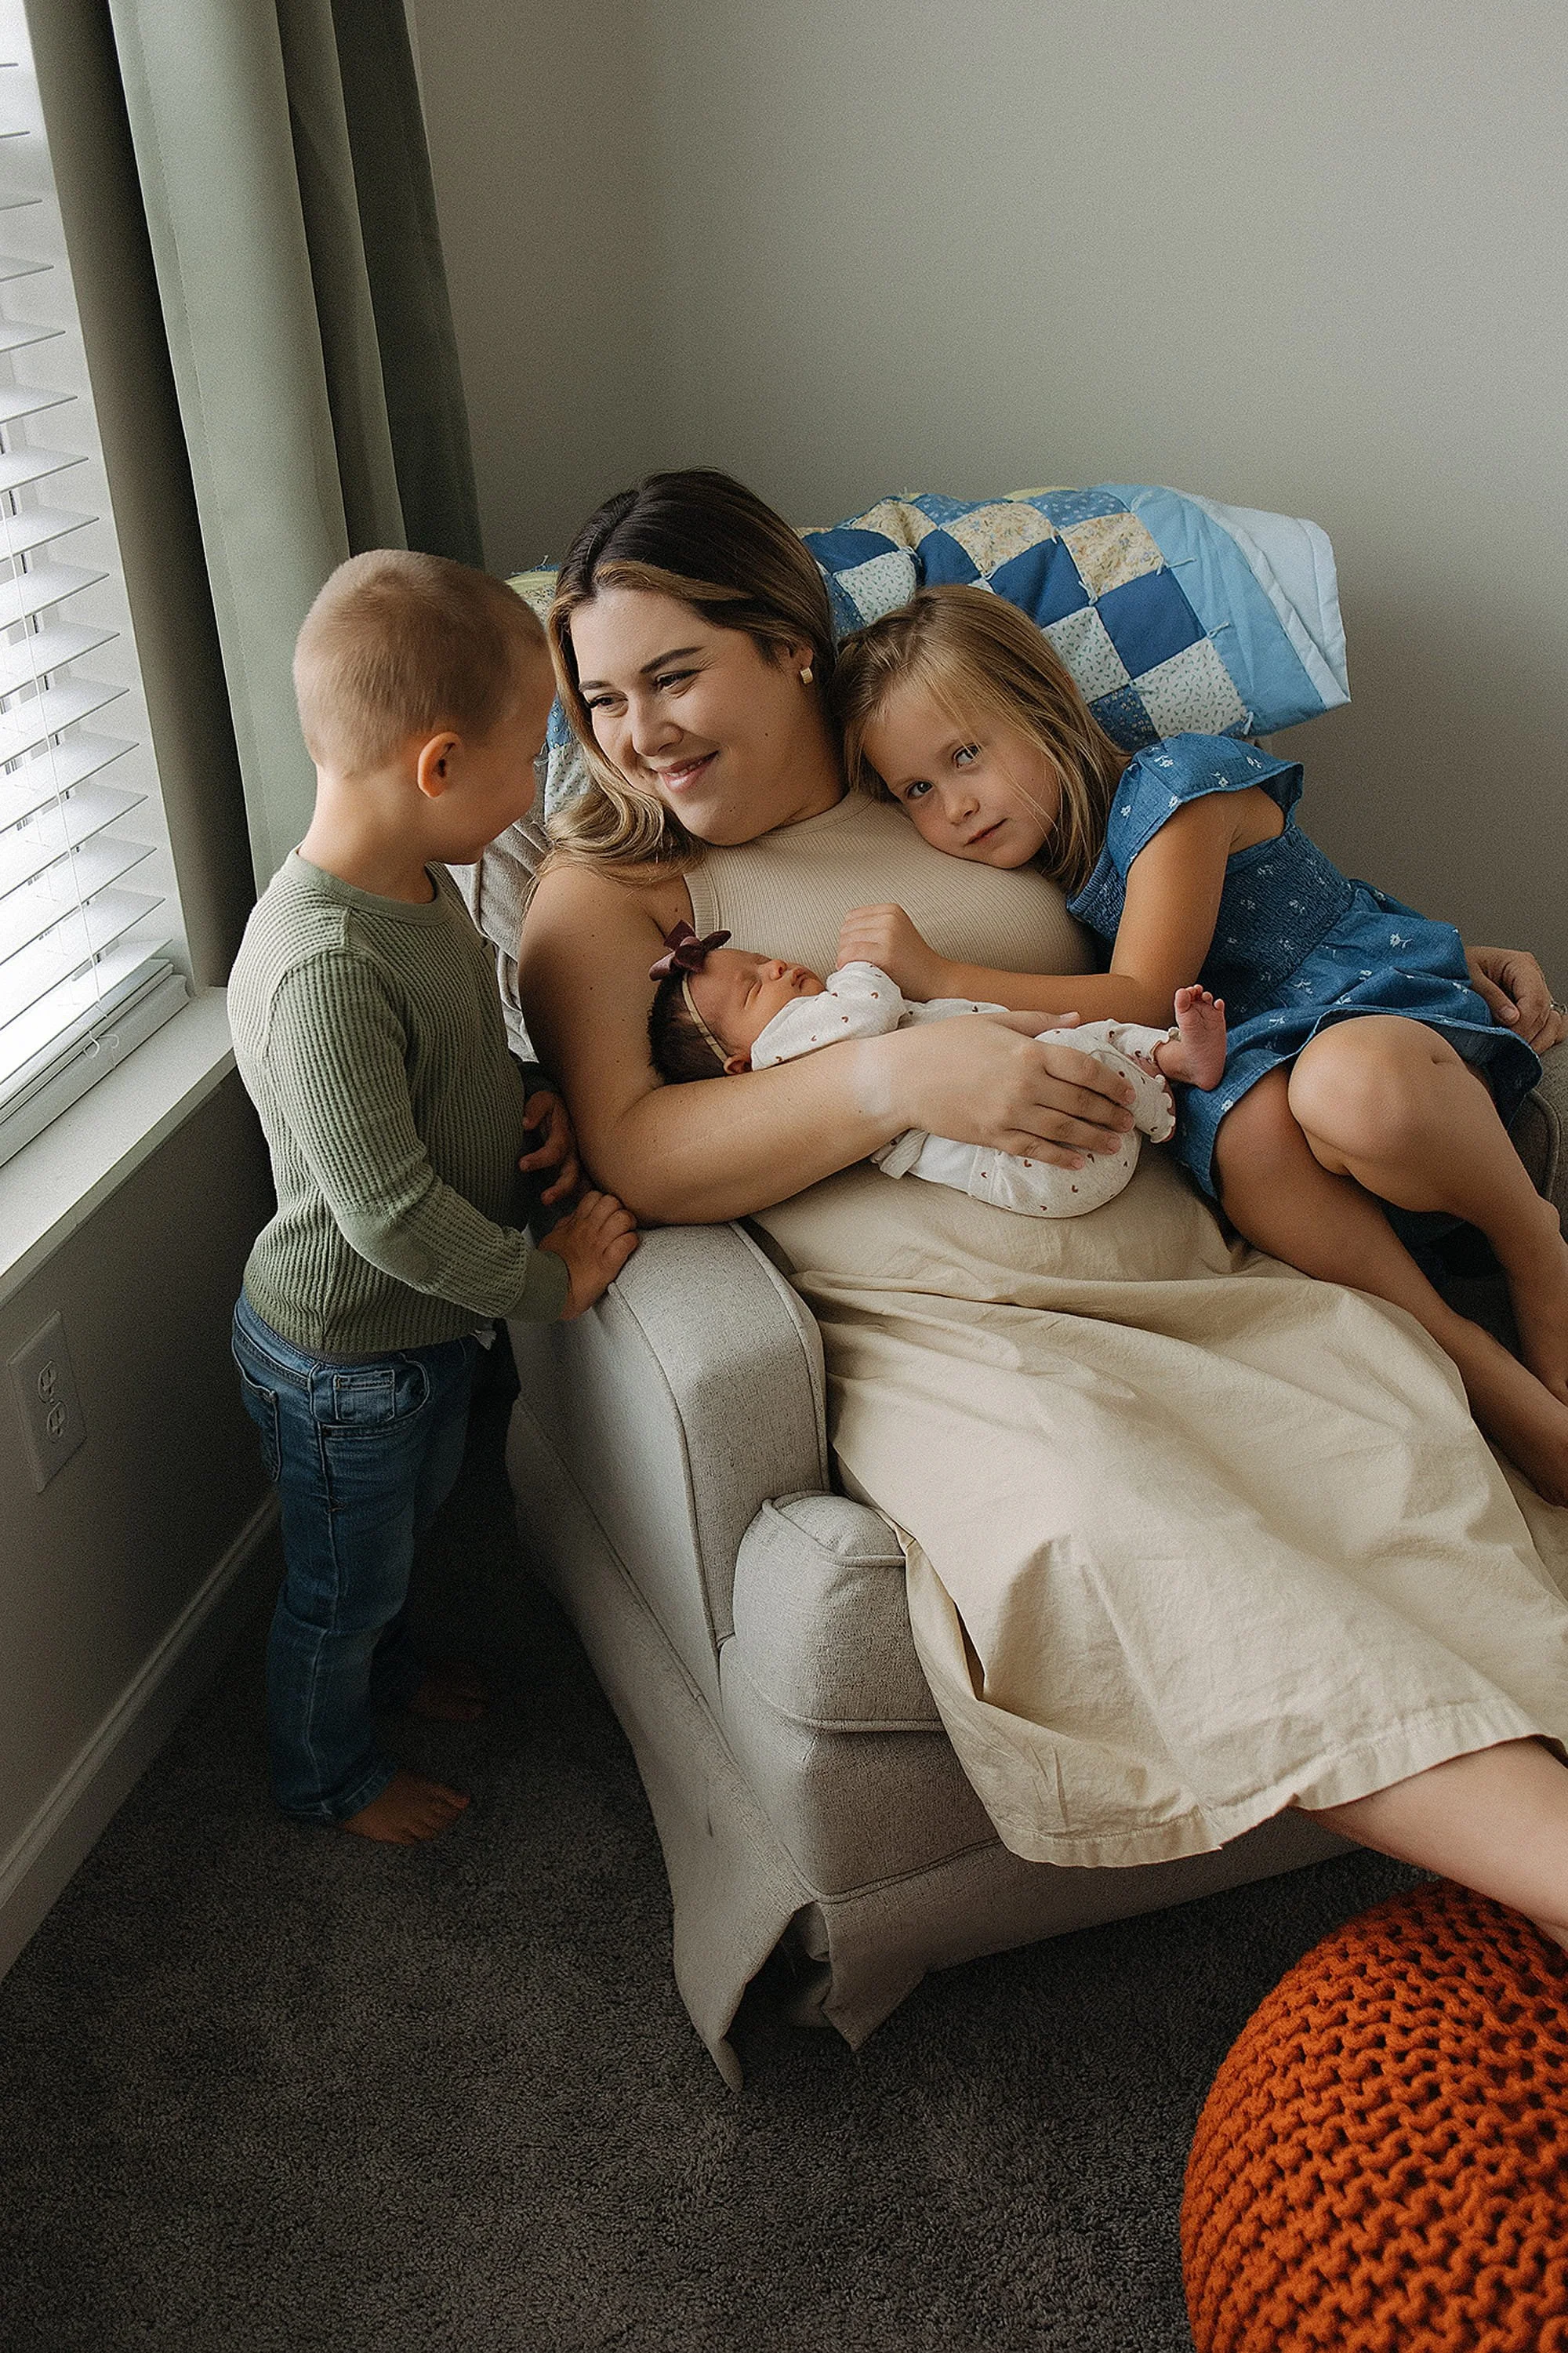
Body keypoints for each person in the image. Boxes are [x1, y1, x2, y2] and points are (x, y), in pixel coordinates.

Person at [518, 467, 1568, 1948]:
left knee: (1414, 1496)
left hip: (1197, 1266)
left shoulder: (937, 767)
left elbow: (1213, 887)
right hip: (962, 1334)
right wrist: (898, 1082)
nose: (644, 734)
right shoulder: (624, 883)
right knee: (1130, 1540)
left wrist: (1450, 951)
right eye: (607, 699)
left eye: (675, 676)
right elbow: (634, 1150)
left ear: (790, 641)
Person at [828, 583, 1568, 1505]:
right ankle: (1481, 1373)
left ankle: (1530, 1240)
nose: (955, 805)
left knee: (1342, 1088)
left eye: (966, 754)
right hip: (1249, 1064)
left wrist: (938, 976)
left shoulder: (1173, 788)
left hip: (1365, 1022)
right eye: (917, 790)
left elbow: (1140, 995)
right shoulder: (1058, 877)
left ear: (1043, 697)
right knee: (1242, 1135)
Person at [228, 550, 637, 1846]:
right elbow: (388, 1213)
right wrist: (550, 1280)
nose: (540, 789)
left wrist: (529, 1092)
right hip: (344, 1358)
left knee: (395, 1552)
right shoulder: (326, 965)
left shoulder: (419, 892)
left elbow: (458, 1041)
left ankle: (394, 1671)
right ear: (439, 766)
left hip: (416, 1342)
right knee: (339, 1588)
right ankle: (325, 1773)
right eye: (532, 760)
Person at [646, 916, 1225, 1218]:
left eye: (760, 959)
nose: (774, 967)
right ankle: (1159, 1102)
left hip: (1058, 1138)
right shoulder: (787, 1051)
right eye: (753, 986)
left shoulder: (810, 1030)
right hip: (1037, 1158)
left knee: (1084, 1035)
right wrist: (859, 964)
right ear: (740, 1065)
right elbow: (871, 1007)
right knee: (1081, 1054)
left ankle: (1172, 1058)